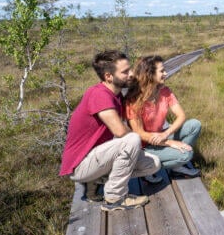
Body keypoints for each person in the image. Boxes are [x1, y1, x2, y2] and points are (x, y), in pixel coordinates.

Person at [60, 50, 161, 212]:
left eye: (130, 69)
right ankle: (115, 198)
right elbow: (120, 131)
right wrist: (143, 138)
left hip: (96, 158)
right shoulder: (99, 94)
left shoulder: (116, 95)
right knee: (132, 139)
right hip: (80, 165)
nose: (131, 74)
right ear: (108, 76)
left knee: (153, 164)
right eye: (125, 72)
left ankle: (98, 180)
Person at [124, 55, 201, 183]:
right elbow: (140, 134)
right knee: (186, 155)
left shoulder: (165, 91)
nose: (165, 73)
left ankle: (176, 167)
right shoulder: (133, 100)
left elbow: (181, 115)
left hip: (160, 136)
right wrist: (170, 143)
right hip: (144, 147)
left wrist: (166, 134)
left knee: (194, 124)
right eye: (162, 71)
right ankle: (147, 169)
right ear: (149, 74)